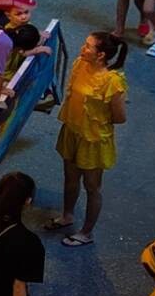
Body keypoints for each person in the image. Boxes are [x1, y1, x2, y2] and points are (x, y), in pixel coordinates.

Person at [53, 31, 130, 247]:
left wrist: (95, 124)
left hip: (94, 140)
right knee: (70, 178)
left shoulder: (111, 81)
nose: (82, 49)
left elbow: (120, 117)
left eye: (88, 46)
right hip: (72, 131)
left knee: (91, 186)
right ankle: (67, 215)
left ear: (101, 55)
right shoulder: (80, 64)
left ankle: (87, 232)